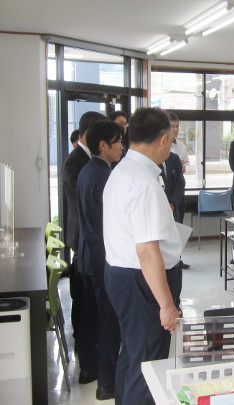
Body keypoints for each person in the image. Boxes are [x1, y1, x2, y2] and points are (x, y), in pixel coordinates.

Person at [103, 107, 182, 405]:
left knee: (133, 354)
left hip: (123, 276)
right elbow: (147, 252)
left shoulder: (123, 170)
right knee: (148, 363)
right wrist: (166, 304)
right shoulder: (143, 182)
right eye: (171, 141)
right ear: (162, 140)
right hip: (143, 283)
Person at [77, 121, 123, 400]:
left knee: (93, 318)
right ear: (103, 145)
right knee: (108, 322)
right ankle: (107, 382)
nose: (122, 146)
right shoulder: (103, 176)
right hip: (101, 258)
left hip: (89, 256)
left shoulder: (89, 170)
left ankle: (93, 369)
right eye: (117, 141)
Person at [62, 110, 106, 369]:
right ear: (89, 134)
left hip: (90, 237)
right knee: (83, 298)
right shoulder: (74, 162)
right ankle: (83, 347)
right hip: (83, 237)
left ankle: (87, 343)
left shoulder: (88, 161)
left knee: (88, 299)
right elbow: (85, 201)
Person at [160, 149, 190, 269]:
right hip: (159, 208)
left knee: (175, 237)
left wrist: (172, 203)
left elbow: (180, 183)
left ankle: (177, 261)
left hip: (173, 206)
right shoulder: (150, 160)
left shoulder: (174, 158)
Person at [169, 112, 188, 223]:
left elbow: (184, 168)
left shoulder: (181, 146)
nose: (175, 129)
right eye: (172, 126)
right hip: (166, 190)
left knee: (178, 225)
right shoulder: (159, 147)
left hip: (178, 190)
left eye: (177, 126)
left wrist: (180, 168)